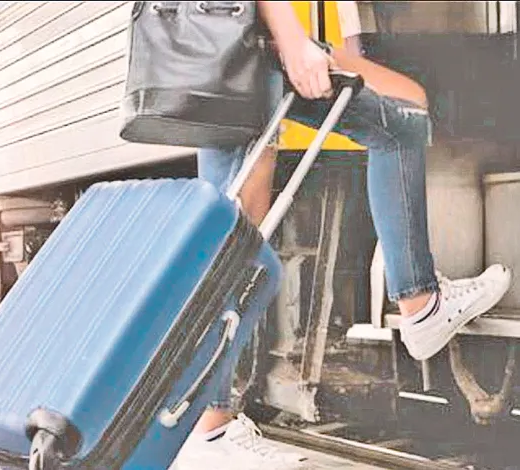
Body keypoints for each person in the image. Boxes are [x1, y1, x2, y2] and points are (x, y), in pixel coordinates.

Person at [170, 2, 512, 469]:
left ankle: (421, 303)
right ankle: (209, 430)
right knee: (236, 236)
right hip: (238, 48)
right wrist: (293, 42)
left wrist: (321, 50)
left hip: (247, 49)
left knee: (400, 122)